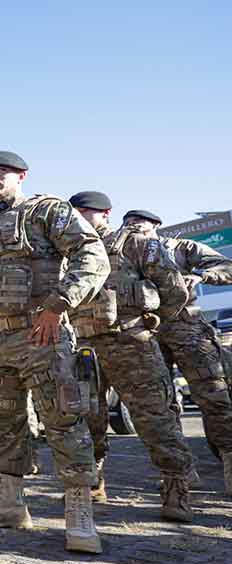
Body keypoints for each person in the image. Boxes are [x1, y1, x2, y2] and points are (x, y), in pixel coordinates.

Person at [0, 151, 109, 554]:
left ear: (21, 176)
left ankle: (79, 515)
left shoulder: (46, 212)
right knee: (4, 421)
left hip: (41, 337)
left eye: (1, 172)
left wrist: (58, 305)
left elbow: (91, 256)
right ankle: (10, 504)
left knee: (63, 419)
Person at [67, 194, 196, 519]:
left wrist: (149, 321)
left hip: (131, 344)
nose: (80, 217)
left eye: (87, 212)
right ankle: (93, 484)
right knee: (86, 417)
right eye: (76, 212)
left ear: (106, 214)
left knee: (154, 418)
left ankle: (175, 488)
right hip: (85, 348)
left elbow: (173, 288)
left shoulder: (135, 243)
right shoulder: (69, 251)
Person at [134, 211, 232, 495]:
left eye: (140, 222)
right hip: (147, 335)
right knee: (162, 406)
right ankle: (182, 473)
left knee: (214, 397)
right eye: (129, 223)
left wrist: (203, 275)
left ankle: (228, 460)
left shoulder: (181, 248)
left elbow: (226, 266)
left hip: (188, 331)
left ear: (155, 226)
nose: (134, 227)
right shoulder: (125, 255)